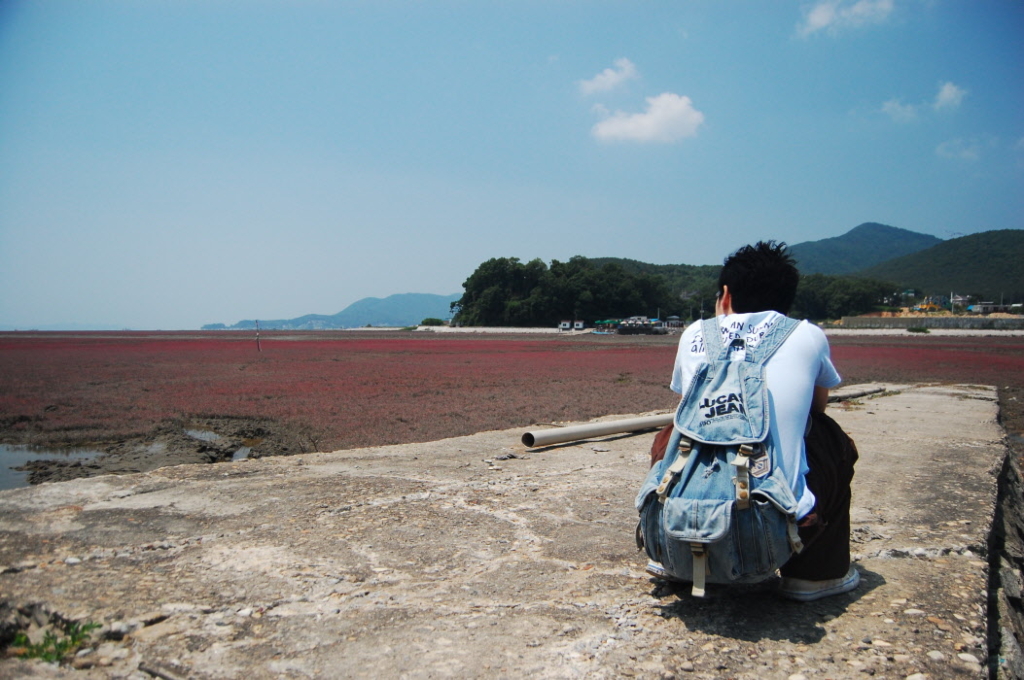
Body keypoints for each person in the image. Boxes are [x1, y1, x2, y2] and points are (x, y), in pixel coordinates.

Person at [654, 240, 859, 601]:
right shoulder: (806, 334)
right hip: (772, 532)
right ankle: (813, 575)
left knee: (673, 432)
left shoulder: (694, 334)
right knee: (831, 437)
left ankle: (673, 547)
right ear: (787, 298)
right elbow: (818, 409)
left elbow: (692, 407)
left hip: (680, 527)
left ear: (726, 295)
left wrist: (723, 329)